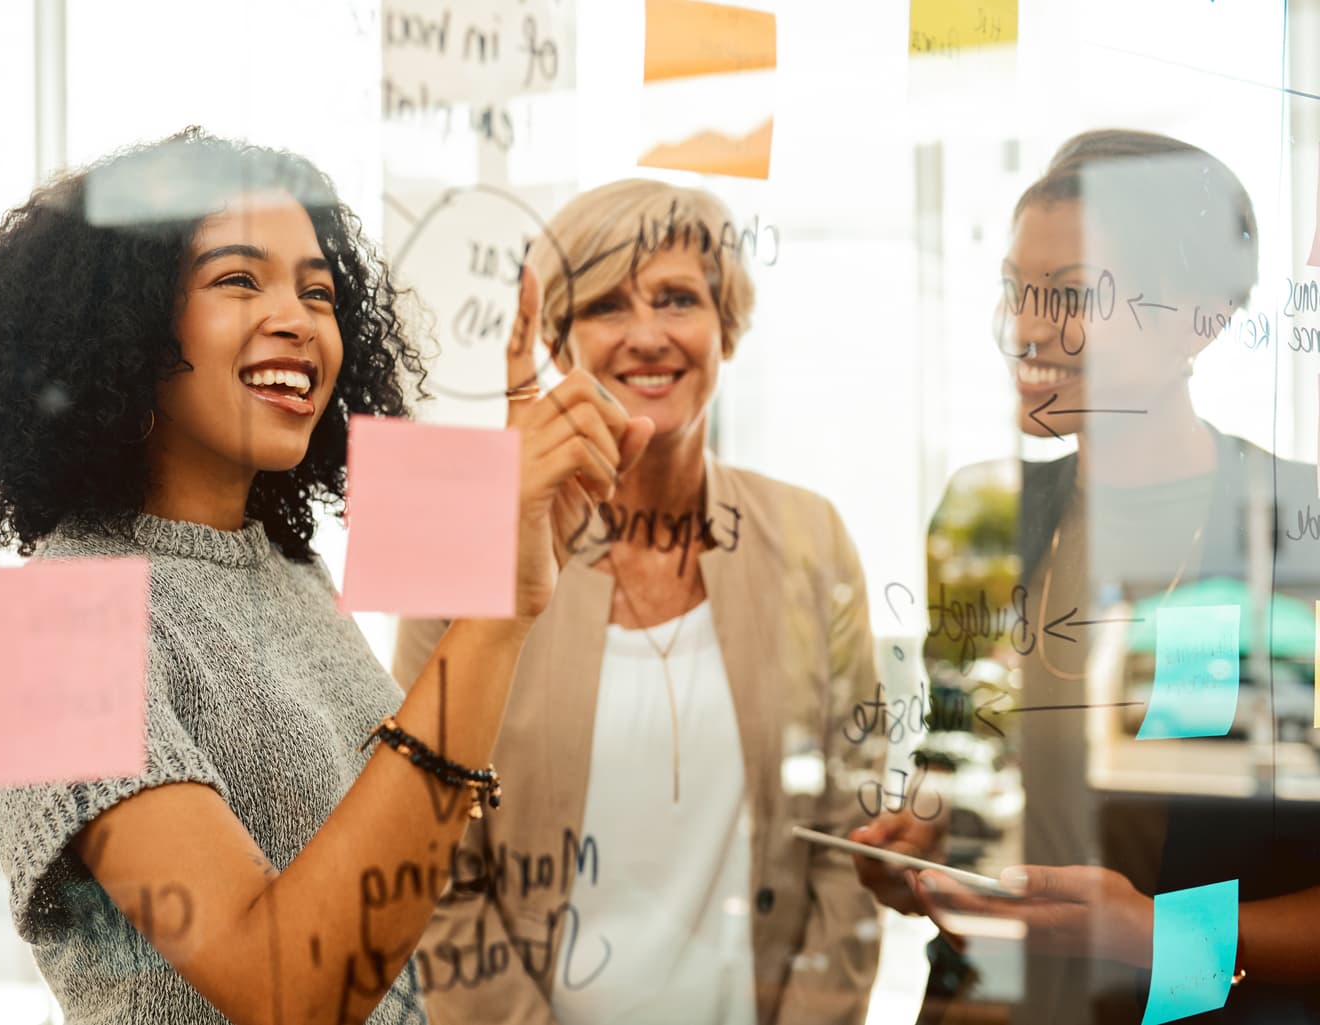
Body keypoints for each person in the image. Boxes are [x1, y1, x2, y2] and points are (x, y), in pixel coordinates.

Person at [0, 129, 653, 1025]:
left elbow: (388, 893)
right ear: (124, 324)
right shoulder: (27, 632)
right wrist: (486, 624)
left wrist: (516, 598)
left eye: (319, 292)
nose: (299, 319)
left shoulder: (292, 571)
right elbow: (287, 990)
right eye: (237, 279)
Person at [392, 178, 886, 1025]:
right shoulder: (468, 544)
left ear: (726, 325)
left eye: (677, 298)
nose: (648, 334)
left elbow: (850, 843)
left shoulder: (813, 537)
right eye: (607, 304)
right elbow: (433, 869)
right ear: (558, 340)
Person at [853, 130, 1320, 1023]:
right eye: (1015, 293)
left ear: (1201, 317)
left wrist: (1153, 935)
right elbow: (954, 769)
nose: (1028, 328)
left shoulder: (1295, 530)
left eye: (1070, 295)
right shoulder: (982, 515)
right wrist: (916, 842)